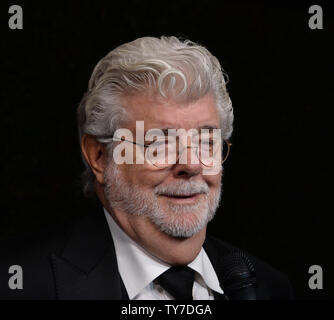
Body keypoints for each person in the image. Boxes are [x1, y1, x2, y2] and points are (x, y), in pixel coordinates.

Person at [0, 36, 293, 300]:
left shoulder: (268, 288)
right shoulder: (16, 283)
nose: (191, 165)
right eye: (159, 143)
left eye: (206, 141)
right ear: (100, 156)